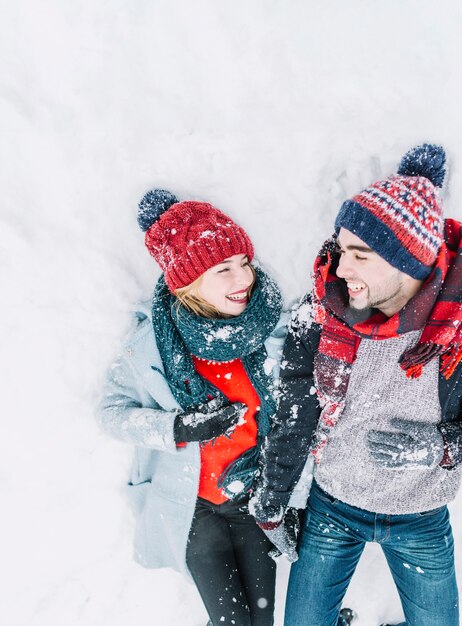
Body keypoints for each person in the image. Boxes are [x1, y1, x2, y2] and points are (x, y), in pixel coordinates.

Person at [251, 144, 462, 626]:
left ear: (410, 259)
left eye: (359, 255)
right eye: (341, 251)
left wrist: (445, 445)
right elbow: (295, 413)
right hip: (333, 506)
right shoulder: (319, 316)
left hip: (422, 514)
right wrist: (274, 501)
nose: (341, 270)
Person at [97, 189, 286, 626]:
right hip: (192, 507)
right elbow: (111, 413)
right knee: (233, 622)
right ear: (187, 282)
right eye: (223, 269)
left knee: (262, 620)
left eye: (244, 263)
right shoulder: (150, 348)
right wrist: (177, 427)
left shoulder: (271, 330)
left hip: (249, 500)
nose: (243, 279)